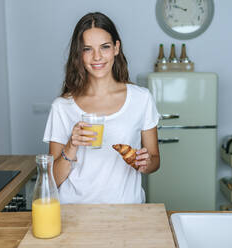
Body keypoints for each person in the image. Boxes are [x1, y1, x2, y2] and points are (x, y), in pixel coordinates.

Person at [43, 12, 160, 204]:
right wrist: (71, 146)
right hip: (74, 213)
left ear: (116, 48)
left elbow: (155, 160)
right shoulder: (62, 107)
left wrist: (146, 163)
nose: (97, 57)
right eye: (87, 49)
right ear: (79, 54)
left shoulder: (141, 99)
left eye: (104, 47)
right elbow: (52, 180)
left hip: (127, 211)